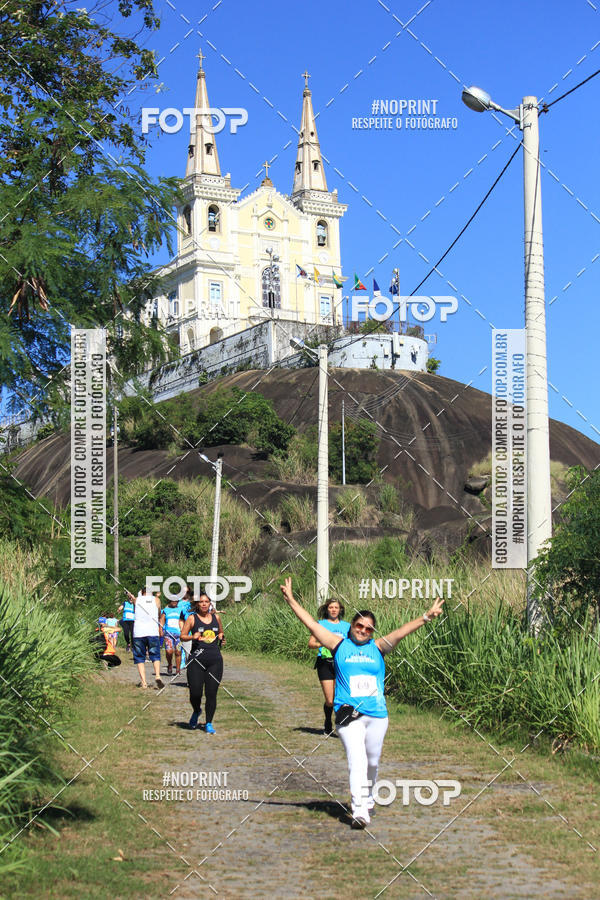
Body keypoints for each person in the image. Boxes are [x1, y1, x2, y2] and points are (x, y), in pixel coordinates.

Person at [280, 577, 444, 829]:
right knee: (356, 759)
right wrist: (292, 600)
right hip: (349, 713)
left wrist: (426, 617)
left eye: (368, 629)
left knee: (373, 761)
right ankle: (359, 812)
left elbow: (402, 631)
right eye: (359, 626)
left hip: (377, 714)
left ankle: (368, 797)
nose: (363, 631)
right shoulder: (338, 645)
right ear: (352, 626)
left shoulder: (379, 647)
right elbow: (311, 624)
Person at [180, 592, 225, 733]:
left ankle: (209, 723)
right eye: (201, 602)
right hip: (196, 661)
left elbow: (221, 633)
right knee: (195, 693)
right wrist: (192, 636)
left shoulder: (216, 617)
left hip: (215, 661)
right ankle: (196, 710)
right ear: (197, 604)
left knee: (211, 693)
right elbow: (182, 636)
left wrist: (222, 639)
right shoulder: (192, 619)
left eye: (207, 601)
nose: (204, 604)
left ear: (210, 603)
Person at [308, 599, 349, 734]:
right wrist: (323, 643)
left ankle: (341, 725)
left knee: (341, 697)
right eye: (331, 607)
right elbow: (311, 643)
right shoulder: (320, 625)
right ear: (327, 609)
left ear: (340, 610)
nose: (333, 610)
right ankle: (327, 720)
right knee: (330, 700)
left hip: (341, 664)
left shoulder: (347, 626)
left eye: (336, 607)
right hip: (325, 662)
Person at [126, 586, 165, 690]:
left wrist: (132, 599)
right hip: (152, 631)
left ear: (141, 593)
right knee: (155, 655)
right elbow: (159, 613)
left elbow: (134, 608)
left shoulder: (137, 600)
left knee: (139, 657)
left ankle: (144, 682)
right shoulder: (156, 600)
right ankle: (157, 675)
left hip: (139, 632)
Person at [160, 596, 183, 676]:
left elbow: (183, 621)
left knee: (178, 652)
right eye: (172, 601)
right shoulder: (166, 610)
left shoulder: (181, 610)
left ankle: (177, 669)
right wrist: (160, 630)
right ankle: (169, 664)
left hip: (179, 635)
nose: (174, 602)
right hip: (168, 634)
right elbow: (161, 621)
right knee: (169, 651)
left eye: (176, 601)